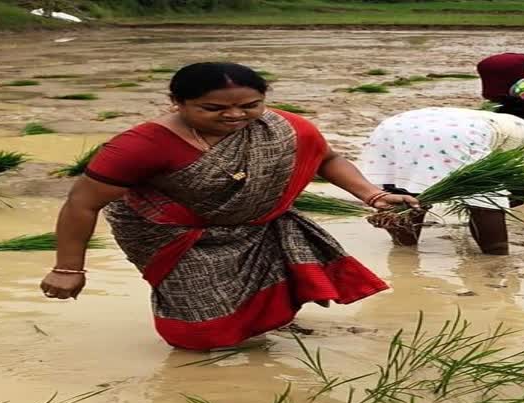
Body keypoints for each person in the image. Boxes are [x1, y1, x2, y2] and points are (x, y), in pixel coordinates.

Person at [39, 62, 418, 351]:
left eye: (251, 105)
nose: (235, 116)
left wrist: (374, 195)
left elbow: (326, 159)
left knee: (271, 292)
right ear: (177, 103)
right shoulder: (140, 146)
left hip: (255, 225)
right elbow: (81, 203)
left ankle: (259, 339)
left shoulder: (285, 128)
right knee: (196, 331)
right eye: (213, 108)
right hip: (175, 233)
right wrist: (67, 268)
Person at [359, 98, 524, 255]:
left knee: (407, 193)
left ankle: (405, 253)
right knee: (486, 199)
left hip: (395, 125)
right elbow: (521, 182)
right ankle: (496, 260)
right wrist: (494, 205)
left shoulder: (487, 118)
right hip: (456, 134)